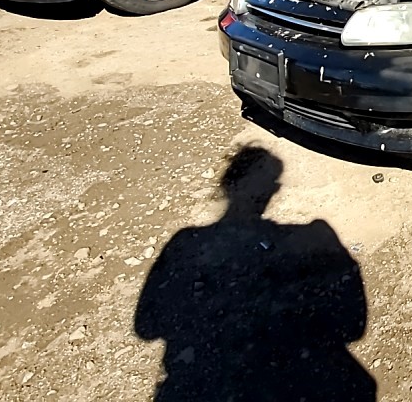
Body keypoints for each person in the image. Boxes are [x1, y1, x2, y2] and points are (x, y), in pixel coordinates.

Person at [135, 145, 375, 402]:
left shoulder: (184, 242)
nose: (275, 188)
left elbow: (146, 327)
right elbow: (352, 327)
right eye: (273, 181)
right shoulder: (307, 236)